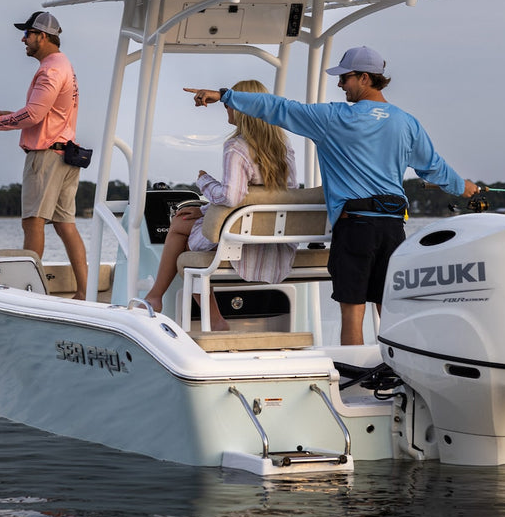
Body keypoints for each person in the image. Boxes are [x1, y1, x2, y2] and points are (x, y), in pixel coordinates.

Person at [184, 46, 481, 345]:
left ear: (365, 78)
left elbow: (277, 108)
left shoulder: (333, 118)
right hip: (393, 228)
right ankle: (394, 376)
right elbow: (434, 168)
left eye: (345, 78)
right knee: (389, 312)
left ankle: (355, 378)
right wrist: (464, 188)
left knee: (353, 314)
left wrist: (225, 95)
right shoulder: (406, 123)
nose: (340, 85)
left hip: (355, 228)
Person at [143, 79, 298, 330]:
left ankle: (160, 299)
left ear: (243, 108)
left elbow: (231, 197)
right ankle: (170, 302)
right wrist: (204, 210)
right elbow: (260, 197)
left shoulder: (237, 147)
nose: (226, 107)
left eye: (231, 102)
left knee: (179, 226)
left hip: (241, 243)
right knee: (188, 222)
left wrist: (204, 181)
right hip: (275, 241)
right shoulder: (283, 147)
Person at [0, 11, 89, 298]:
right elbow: (44, 113)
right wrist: (5, 114)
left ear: (42, 36)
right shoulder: (63, 66)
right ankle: (83, 292)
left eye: (27, 34)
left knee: (33, 221)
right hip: (65, 155)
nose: (23, 39)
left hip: (46, 158)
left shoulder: (50, 70)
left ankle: (29, 295)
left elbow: (33, 115)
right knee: (66, 226)